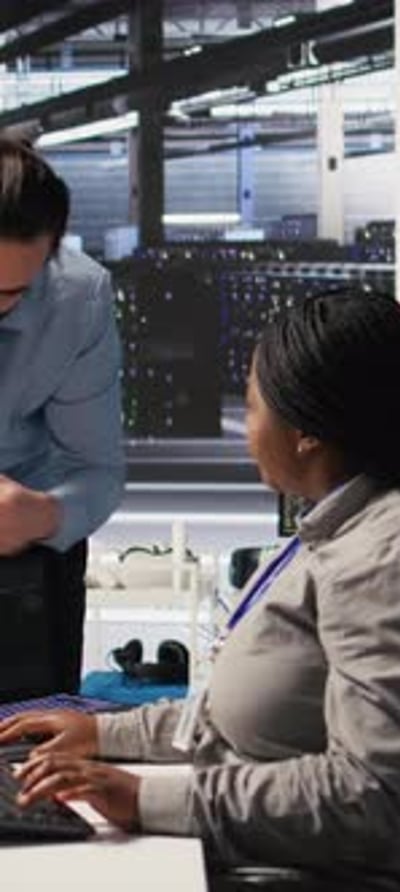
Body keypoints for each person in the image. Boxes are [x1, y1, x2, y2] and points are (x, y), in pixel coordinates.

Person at [1, 287, 400, 891]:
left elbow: (374, 799)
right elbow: (235, 720)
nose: (247, 428)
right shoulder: (345, 534)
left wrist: (143, 798)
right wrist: (107, 734)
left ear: (307, 432)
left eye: (254, 404)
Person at [0, 136, 124, 697]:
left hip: (24, 556)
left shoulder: (79, 297)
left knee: (28, 756)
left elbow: (97, 470)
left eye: (8, 292)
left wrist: (46, 515)